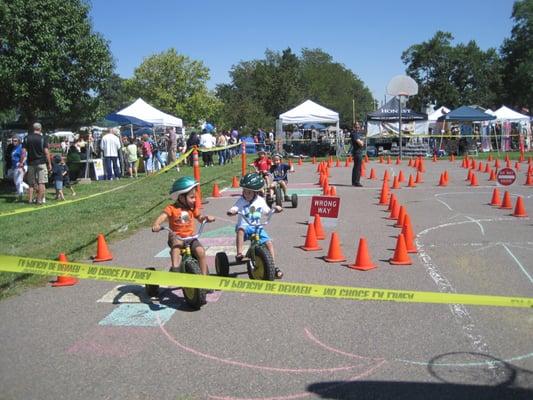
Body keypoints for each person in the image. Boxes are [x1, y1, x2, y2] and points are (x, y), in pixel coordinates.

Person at [151, 176, 215, 275]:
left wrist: (205, 218)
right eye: (192, 197)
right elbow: (163, 216)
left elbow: (199, 217)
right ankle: (176, 269)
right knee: (176, 248)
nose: (194, 200)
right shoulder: (171, 208)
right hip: (177, 237)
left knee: (200, 251)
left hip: (191, 238)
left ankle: (205, 277)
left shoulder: (192, 208)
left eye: (195, 197)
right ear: (181, 197)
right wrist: (156, 224)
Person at [227, 173, 283, 279]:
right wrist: (232, 211)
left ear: (255, 192)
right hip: (245, 226)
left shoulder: (260, 200)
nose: (245, 194)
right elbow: (235, 208)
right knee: (240, 230)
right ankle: (239, 254)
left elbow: (267, 211)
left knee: (269, 243)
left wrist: (275, 209)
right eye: (244, 191)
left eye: (248, 192)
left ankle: (272, 266)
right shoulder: (241, 200)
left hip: (257, 227)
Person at [21, 122, 52, 205]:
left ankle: (30, 200)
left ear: (33, 128)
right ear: (40, 129)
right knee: (41, 182)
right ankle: (39, 200)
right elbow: (46, 152)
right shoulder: (43, 138)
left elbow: (23, 152)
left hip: (31, 163)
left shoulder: (27, 138)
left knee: (31, 183)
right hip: (41, 163)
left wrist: (21, 162)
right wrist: (49, 163)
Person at [10, 135, 29, 202]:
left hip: (21, 167)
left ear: (19, 141)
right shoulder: (14, 148)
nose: (13, 142)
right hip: (15, 167)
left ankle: (20, 197)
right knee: (17, 182)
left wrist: (22, 164)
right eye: (12, 140)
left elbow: (25, 156)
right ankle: (29, 188)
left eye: (15, 140)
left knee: (18, 182)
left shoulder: (21, 147)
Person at [349, 122, 364, 187]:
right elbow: (360, 143)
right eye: (356, 127)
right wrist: (362, 142)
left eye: (358, 127)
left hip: (358, 152)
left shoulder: (357, 134)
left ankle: (354, 181)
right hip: (357, 152)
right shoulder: (354, 134)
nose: (358, 128)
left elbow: (361, 142)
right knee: (358, 168)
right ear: (354, 127)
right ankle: (356, 182)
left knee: (356, 167)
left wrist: (361, 141)